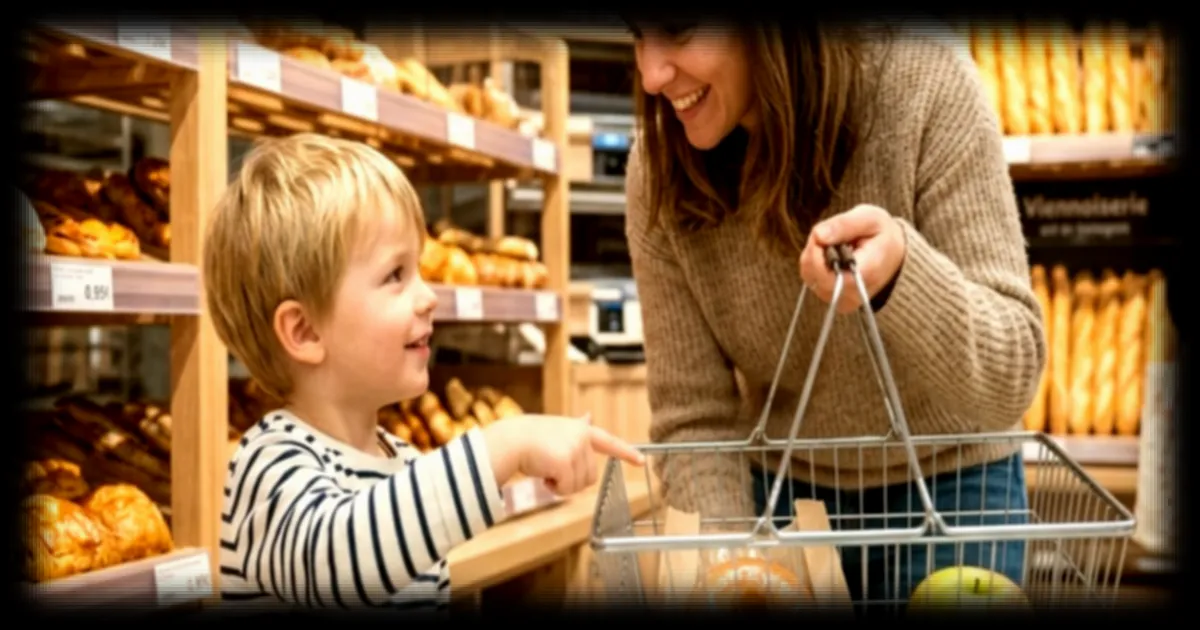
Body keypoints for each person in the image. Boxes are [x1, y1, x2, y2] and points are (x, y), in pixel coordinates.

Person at [623, 19, 1045, 607]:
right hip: (783, 503)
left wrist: (902, 277)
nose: (651, 74)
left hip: (955, 496)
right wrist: (730, 565)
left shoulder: (922, 81)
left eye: (680, 31)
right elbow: (696, 420)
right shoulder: (659, 168)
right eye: (637, 34)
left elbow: (1011, 376)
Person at [203, 133, 644, 612]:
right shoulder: (268, 465)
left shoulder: (407, 464)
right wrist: (506, 443)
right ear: (305, 331)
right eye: (395, 275)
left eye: (418, 269)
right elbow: (345, 565)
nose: (429, 295)